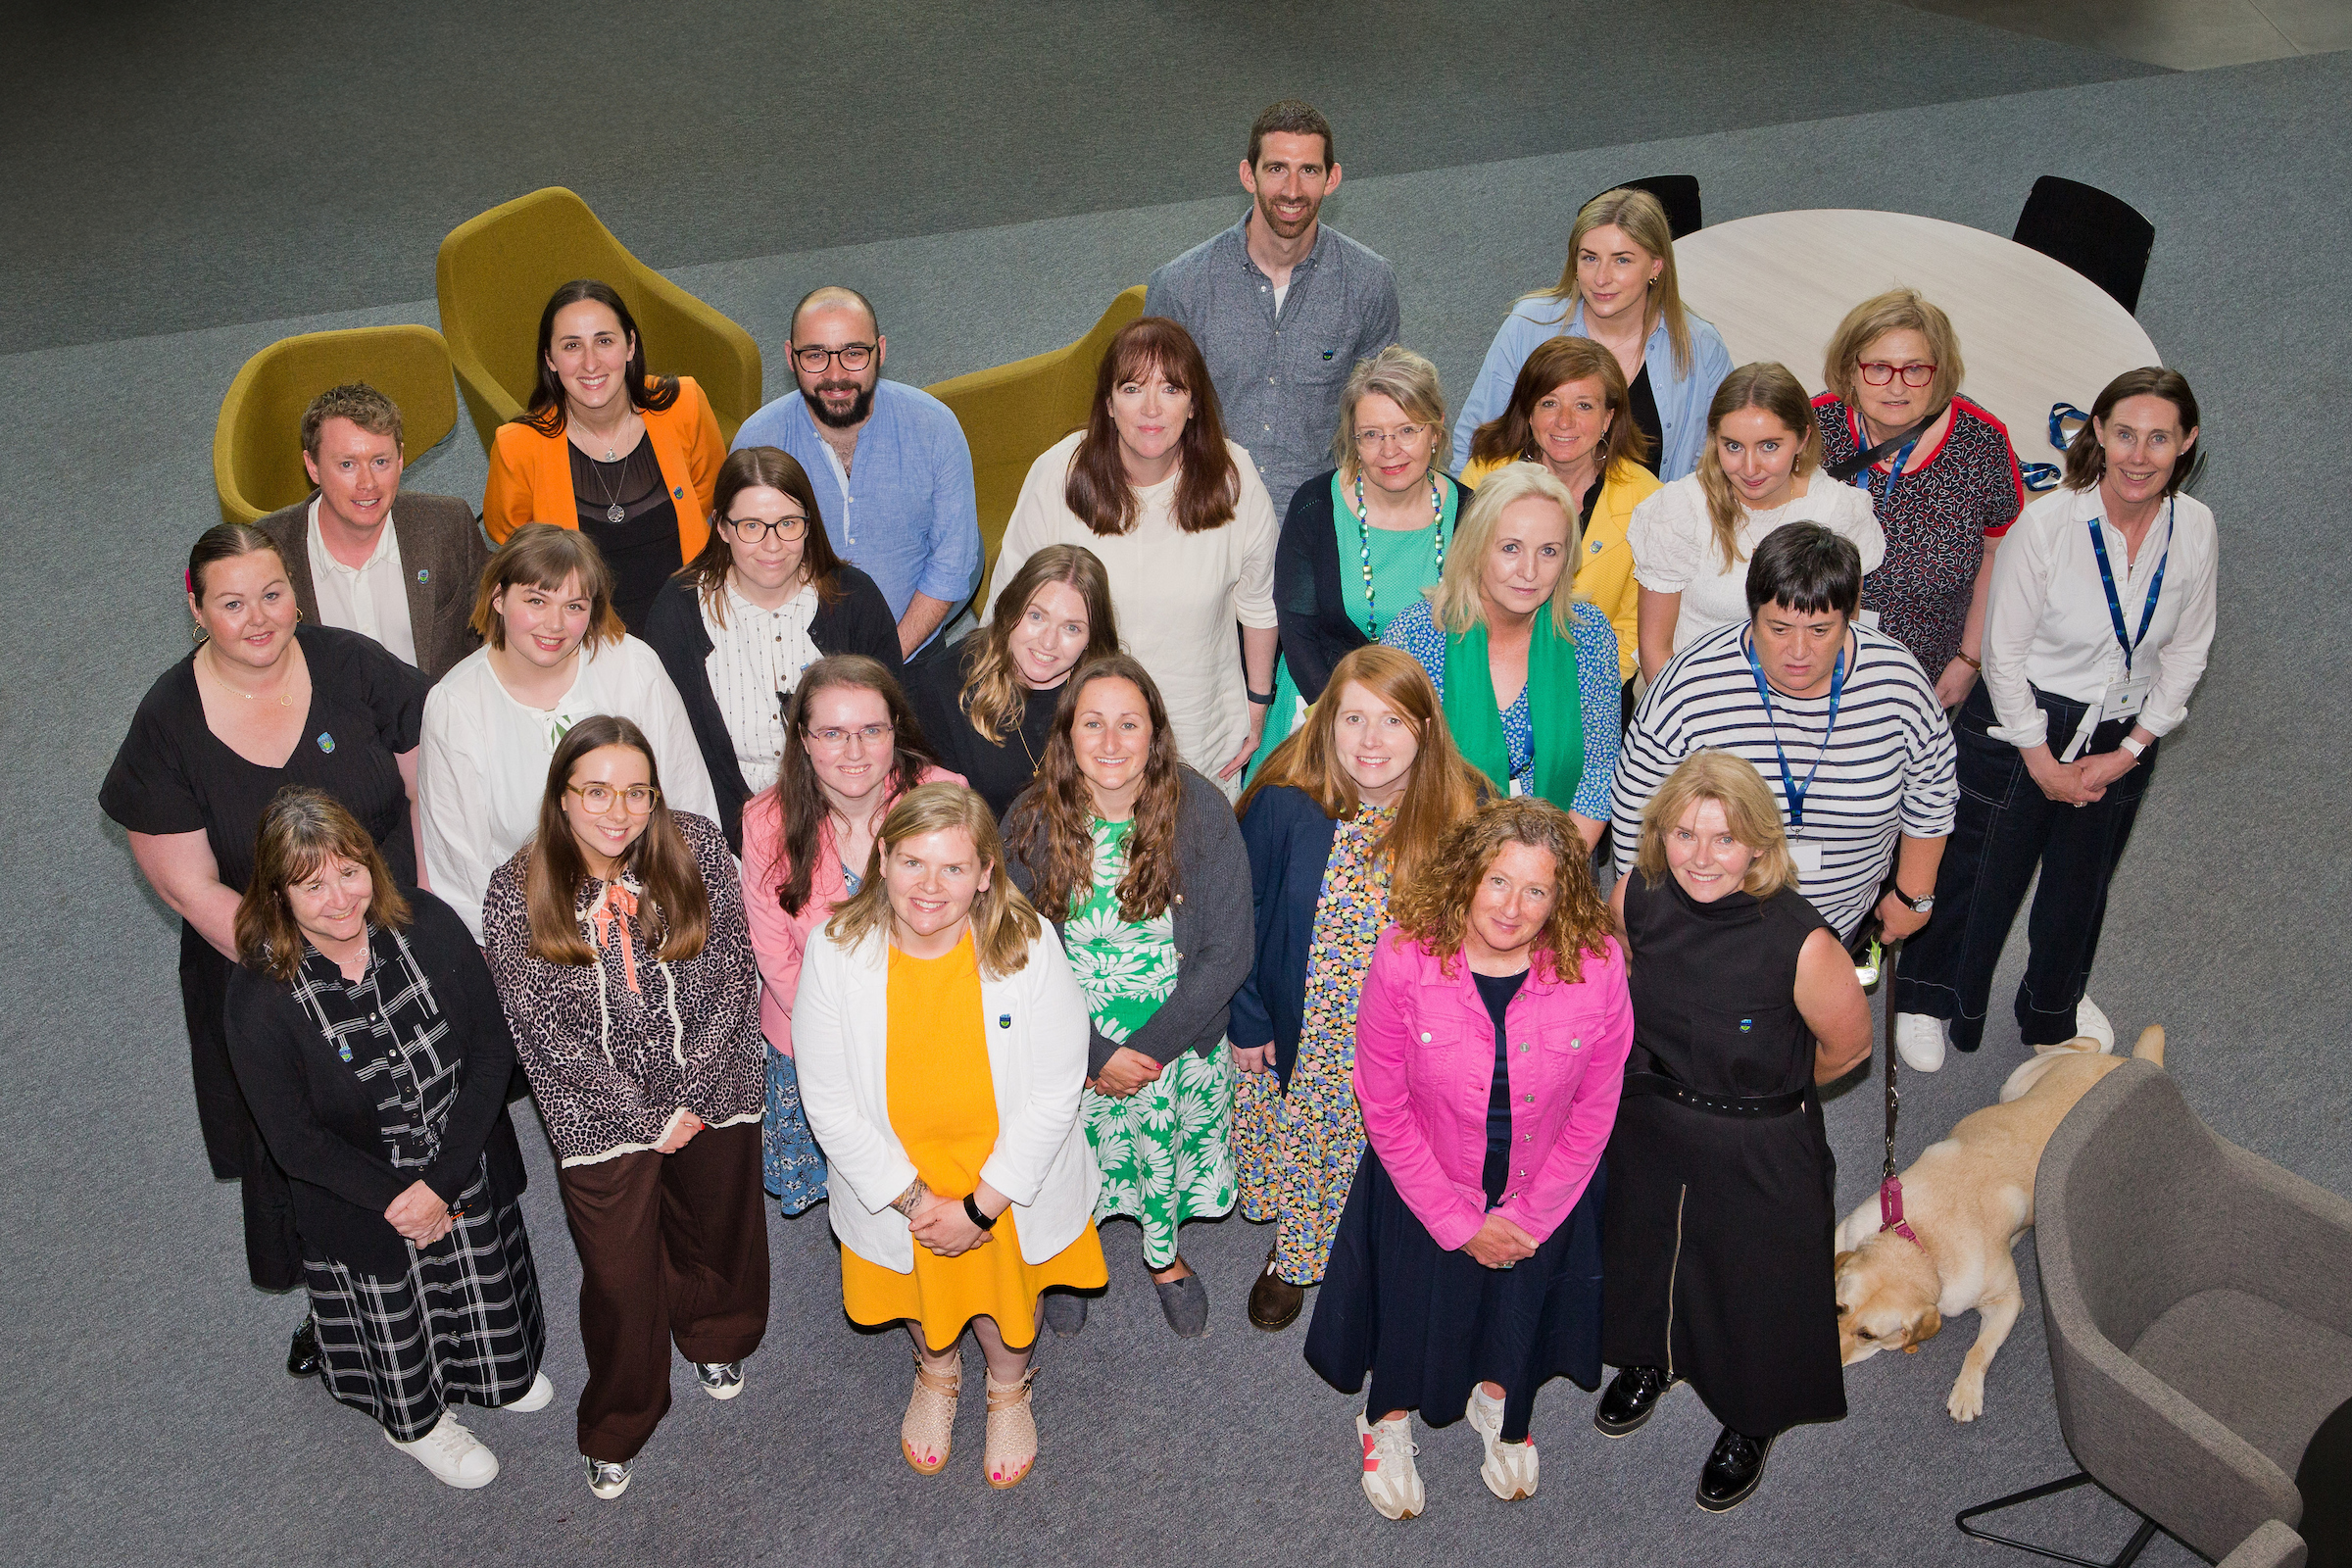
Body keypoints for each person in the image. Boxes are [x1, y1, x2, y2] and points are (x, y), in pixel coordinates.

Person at [101, 522, 427, 1362]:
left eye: (273, 594)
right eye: (233, 603)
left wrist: (417, 917)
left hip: (395, 932)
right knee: (317, 1155)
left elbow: (428, 784)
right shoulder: (168, 721)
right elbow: (186, 885)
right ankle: (346, 1321)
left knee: (427, 1116)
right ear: (196, 608)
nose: (259, 619)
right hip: (267, 972)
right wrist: (310, 970)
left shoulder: (351, 665)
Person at [1306, 799, 1632, 1519]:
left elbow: (1596, 1109)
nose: (1512, 909)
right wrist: (1458, 1221)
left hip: (1546, 1180)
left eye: (1536, 890)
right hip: (1424, 1172)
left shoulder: (1600, 965)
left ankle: (1498, 1400)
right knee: (1411, 1307)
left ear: (1562, 897)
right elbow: (1383, 1106)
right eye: (1498, 882)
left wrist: (1531, 1217)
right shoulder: (1405, 956)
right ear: (1466, 877)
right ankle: (1386, 1421)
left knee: (1519, 1307)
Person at [223, 789, 550, 1489]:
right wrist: (409, 1200)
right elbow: (296, 1143)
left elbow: (492, 1052)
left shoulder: (427, 924)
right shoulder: (256, 1000)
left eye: (349, 872)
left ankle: (496, 1374)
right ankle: (418, 1424)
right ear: (278, 897)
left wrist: (442, 1181)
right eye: (312, 886)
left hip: (460, 1159)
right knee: (398, 1311)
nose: (340, 899)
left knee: (483, 1277)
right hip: (361, 1196)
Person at [480, 716, 767, 1500]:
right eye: (597, 792)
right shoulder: (515, 889)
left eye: (637, 792)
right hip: (598, 1110)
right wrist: (645, 1117)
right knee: (619, 1276)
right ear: (562, 797)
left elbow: (734, 971)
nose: (619, 812)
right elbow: (541, 1034)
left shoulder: (696, 846)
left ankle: (715, 1331)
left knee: (718, 1225)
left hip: (713, 1081)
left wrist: (692, 1091)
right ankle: (620, 1417)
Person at [1892, 369, 2211, 1072]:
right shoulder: (2047, 527)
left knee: (2081, 882)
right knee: (1977, 870)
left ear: (2187, 442)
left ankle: (2052, 1004)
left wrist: (2132, 749)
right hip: (2020, 721)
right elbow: (2002, 658)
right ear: (2098, 431)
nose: (2138, 456)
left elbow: (2190, 649)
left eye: (2159, 439)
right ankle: (1929, 995)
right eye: (2124, 434)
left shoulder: (2196, 528)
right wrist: (2042, 762)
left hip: (2123, 728)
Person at [793, 783, 1107, 1489]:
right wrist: (916, 1203)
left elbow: (1058, 1089)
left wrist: (980, 1207)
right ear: (882, 859)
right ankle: (936, 1371)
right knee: (916, 1291)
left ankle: (1007, 1386)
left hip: (1004, 1177)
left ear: (985, 874)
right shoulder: (835, 951)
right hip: (897, 1182)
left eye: (954, 868)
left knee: (1008, 1296)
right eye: (912, 862)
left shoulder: (1029, 942)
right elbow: (829, 1103)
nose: (930, 887)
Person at [1597, 750, 1872, 1513]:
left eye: (1724, 838)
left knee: (1759, 1281)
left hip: (1759, 1135)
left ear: (1758, 843)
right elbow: (1623, 978)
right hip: (1652, 1116)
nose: (1701, 857)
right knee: (1649, 1247)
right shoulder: (1636, 894)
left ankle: (1754, 1418)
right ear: (1660, 834)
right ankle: (1654, 1356)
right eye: (1684, 834)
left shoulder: (1803, 942)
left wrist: (1760, 1092)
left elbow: (1846, 1050)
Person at [1232, 645, 1486, 1328]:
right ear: (1326, 724)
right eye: (1353, 719)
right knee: (1313, 1147)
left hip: (1414, 1033)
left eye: (1392, 721)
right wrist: (1248, 1019)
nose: (1371, 740)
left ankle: (1384, 1254)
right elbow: (1240, 916)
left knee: (1405, 1152)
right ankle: (1296, 1254)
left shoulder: (1467, 809)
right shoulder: (1286, 803)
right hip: (1308, 1029)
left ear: (1425, 728)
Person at [1002, 655, 1253, 1337]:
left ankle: (1163, 1256)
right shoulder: (1031, 819)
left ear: (1155, 733)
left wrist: (1144, 1051)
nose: (1111, 742)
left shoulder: (1200, 809)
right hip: (1067, 1042)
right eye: (1092, 724)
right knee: (1066, 1154)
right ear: (1067, 735)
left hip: (1175, 1040)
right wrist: (1093, 1054)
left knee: (1158, 1158)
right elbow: (1008, 956)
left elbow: (1229, 950)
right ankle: (1069, 1252)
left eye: (1129, 724)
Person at [1612, 524, 1955, 945]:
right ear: (1752, 613)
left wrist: (1913, 896)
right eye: (1779, 629)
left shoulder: (1897, 680)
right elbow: (1635, 810)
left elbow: (1932, 792)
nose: (1798, 651)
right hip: (1708, 929)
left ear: (1851, 617)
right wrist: (1647, 922)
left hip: (1840, 923)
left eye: (1820, 630)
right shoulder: (1690, 683)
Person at [986, 317, 1279, 795]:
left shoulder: (1234, 476)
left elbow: (1259, 605)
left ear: (1194, 405)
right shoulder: (1058, 472)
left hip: (1198, 732)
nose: (1151, 408)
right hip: (1082, 737)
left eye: (1170, 389)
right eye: (1132, 388)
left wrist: (1258, 703)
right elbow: (1005, 606)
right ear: (1108, 403)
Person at [740, 656, 963, 1215]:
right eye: (833, 733)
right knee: (856, 1192)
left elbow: (973, 924)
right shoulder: (766, 820)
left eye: (871, 730)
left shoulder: (943, 795)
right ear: (803, 739)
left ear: (895, 730)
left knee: (943, 1174)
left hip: (933, 1018)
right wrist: (846, 1041)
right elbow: (776, 957)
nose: (855, 751)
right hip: (818, 1030)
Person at [417, 524, 717, 940]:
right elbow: (462, 871)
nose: (555, 624)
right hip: (535, 931)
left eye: (574, 606)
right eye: (536, 601)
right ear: (499, 598)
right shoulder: (454, 706)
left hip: (654, 910)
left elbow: (688, 803)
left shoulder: (633, 666)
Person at [1145, 100, 1401, 516]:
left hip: (1318, 516)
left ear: (1332, 179)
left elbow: (1380, 415)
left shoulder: (1369, 282)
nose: (1293, 190)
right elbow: (1148, 417)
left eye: (1309, 170)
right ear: (1249, 174)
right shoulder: (1180, 286)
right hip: (1207, 512)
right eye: (1277, 168)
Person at [643, 446, 902, 852]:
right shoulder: (679, 610)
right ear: (722, 527)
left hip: (851, 819)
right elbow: (666, 751)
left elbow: (896, 729)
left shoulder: (855, 598)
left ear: (809, 525)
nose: (773, 545)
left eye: (788, 524)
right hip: (724, 832)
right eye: (751, 526)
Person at [730, 286, 983, 662]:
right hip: (794, 655)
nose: (835, 375)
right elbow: (738, 560)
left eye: (853, 353)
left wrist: (885, 660)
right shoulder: (758, 439)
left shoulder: (936, 428)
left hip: (909, 648)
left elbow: (951, 565)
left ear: (880, 350)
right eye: (815, 355)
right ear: (790, 357)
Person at [1248, 346, 1464, 778]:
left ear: (1436, 430)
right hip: (1319, 704)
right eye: (1371, 434)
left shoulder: (1472, 515)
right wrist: (1346, 724)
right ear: (1353, 439)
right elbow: (1297, 631)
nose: (1390, 450)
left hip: (1434, 719)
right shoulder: (1314, 505)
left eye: (1407, 430)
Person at [1380, 463, 1622, 846]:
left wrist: (1555, 869)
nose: (1529, 571)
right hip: (1435, 849)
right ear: (1476, 549)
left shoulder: (1588, 634)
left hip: (1559, 848)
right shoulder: (1415, 635)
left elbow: (1598, 772)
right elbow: (1387, 771)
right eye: (1511, 548)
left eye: (1549, 551)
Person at [1812, 288, 2025, 705]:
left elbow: (2000, 555)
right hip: (1811, 658)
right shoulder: (1813, 426)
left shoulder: (1982, 442)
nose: (1896, 387)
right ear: (1851, 369)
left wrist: (1970, 659)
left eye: (1915, 369)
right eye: (1878, 367)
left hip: (1927, 668)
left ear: (1939, 373)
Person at [482, 280, 727, 632]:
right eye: (572, 346)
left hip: (693, 620)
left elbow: (710, 497)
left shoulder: (683, 404)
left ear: (630, 345)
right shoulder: (517, 446)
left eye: (604, 341)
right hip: (585, 637)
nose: (591, 363)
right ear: (550, 359)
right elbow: (514, 541)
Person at [1452, 187, 1731, 481]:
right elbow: (1477, 438)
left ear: (1655, 266)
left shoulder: (1701, 347)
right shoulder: (1530, 325)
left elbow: (1715, 462)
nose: (1601, 278)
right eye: (1589, 258)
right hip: (1537, 504)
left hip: (1652, 508)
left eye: (1622, 260)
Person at [1630, 362, 1885, 678]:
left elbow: (1843, 638)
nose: (1750, 468)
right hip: (1693, 689)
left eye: (1769, 446)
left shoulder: (1839, 511)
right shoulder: (1679, 510)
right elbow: (1655, 651)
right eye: (1733, 446)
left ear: (1802, 439)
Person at [1461, 335, 1665, 708]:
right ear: (1529, 412)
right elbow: (1461, 581)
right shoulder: (1486, 473)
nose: (1564, 421)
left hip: (1589, 687)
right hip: (1481, 673)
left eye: (1583, 405)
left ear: (1608, 418)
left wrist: (1586, 689)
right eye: (1549, 403)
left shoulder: (1646, 499)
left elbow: (1634, 625)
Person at [257, 382, 491, 682]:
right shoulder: (267, 550)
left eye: (380, 462)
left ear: (400, 458)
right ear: (312, 466)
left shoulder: (447, 524)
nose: (367, 483)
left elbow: (492, 629)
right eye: (347, 464)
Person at [908, 543, 1119, 820]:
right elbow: (933, 815)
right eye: (1036, 616)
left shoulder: (1113, 695)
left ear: (1092, 636)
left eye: (1071, 628)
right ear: (1011, 609)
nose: (1048, 642)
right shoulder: (943, 682)